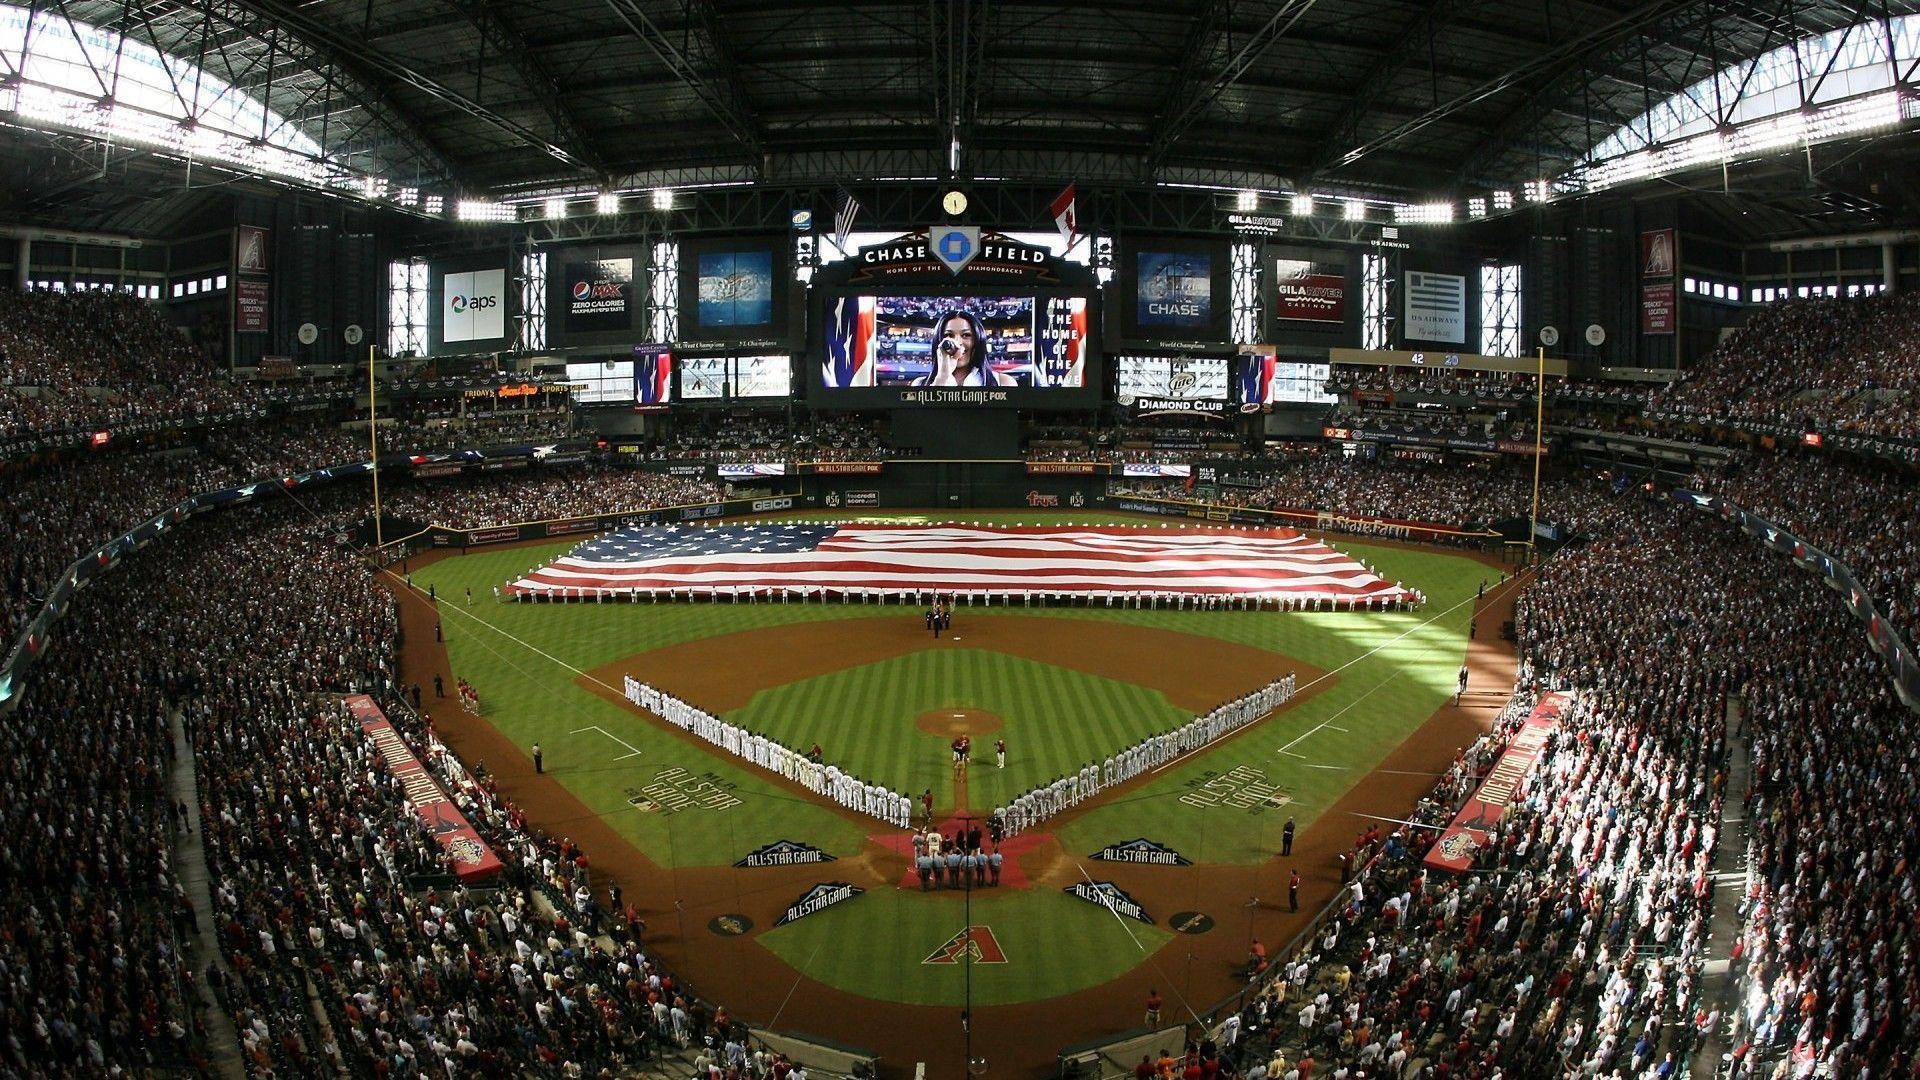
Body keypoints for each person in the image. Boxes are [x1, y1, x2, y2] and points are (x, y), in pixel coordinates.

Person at [912, 309, 1017, 387]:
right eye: (949, 335)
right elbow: (925, 416)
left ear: (977, 340)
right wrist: (942, 377)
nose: (957, 342)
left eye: (966, 335)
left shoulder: (1004, 383)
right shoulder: (919, 384)